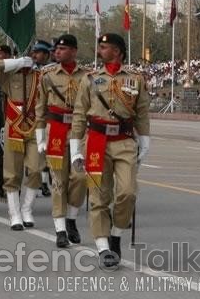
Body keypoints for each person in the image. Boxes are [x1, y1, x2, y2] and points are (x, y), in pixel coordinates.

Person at [70, 33, 150, 269]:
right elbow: (78, 113)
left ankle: (116, 232)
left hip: (124, 142)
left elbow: (142, 112)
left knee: (127, 192)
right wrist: (76, 148)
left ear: (117, 51)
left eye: (104, 47)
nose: (100, 51)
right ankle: (104, 247)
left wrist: (145, 140)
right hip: (95, 140)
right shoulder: (90, 79)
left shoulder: (135, 79)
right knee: (98, 197)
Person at [35, 34, 89, 247]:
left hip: (79, 132)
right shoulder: (47, 75)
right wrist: (40, 136)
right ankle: (60, 230)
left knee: (80, 177)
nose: (57, 52)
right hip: (55, 129)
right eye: (56, 49)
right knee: (58, 181)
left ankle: (72, 218)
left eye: (63, 49)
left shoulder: (87, 76)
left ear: (74, 51)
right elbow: (40, 107)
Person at [0, 51, 44, 231]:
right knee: (12, 172)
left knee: (35, 170)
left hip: (35, 125)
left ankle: (27, 209)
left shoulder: (41, 77)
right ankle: (15, 213)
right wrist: (15, 63)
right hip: (14, 125)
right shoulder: (9, 76)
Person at [30, 39, 53, 197]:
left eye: (37, 53)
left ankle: (44, 182)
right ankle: (37, 181)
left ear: (46, 54)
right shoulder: (29, 70)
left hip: (48, 116)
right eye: (34, 52)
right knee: (35, 151)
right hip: (31, 115)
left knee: (46, 150)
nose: (34, 55)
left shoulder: (52, 71)